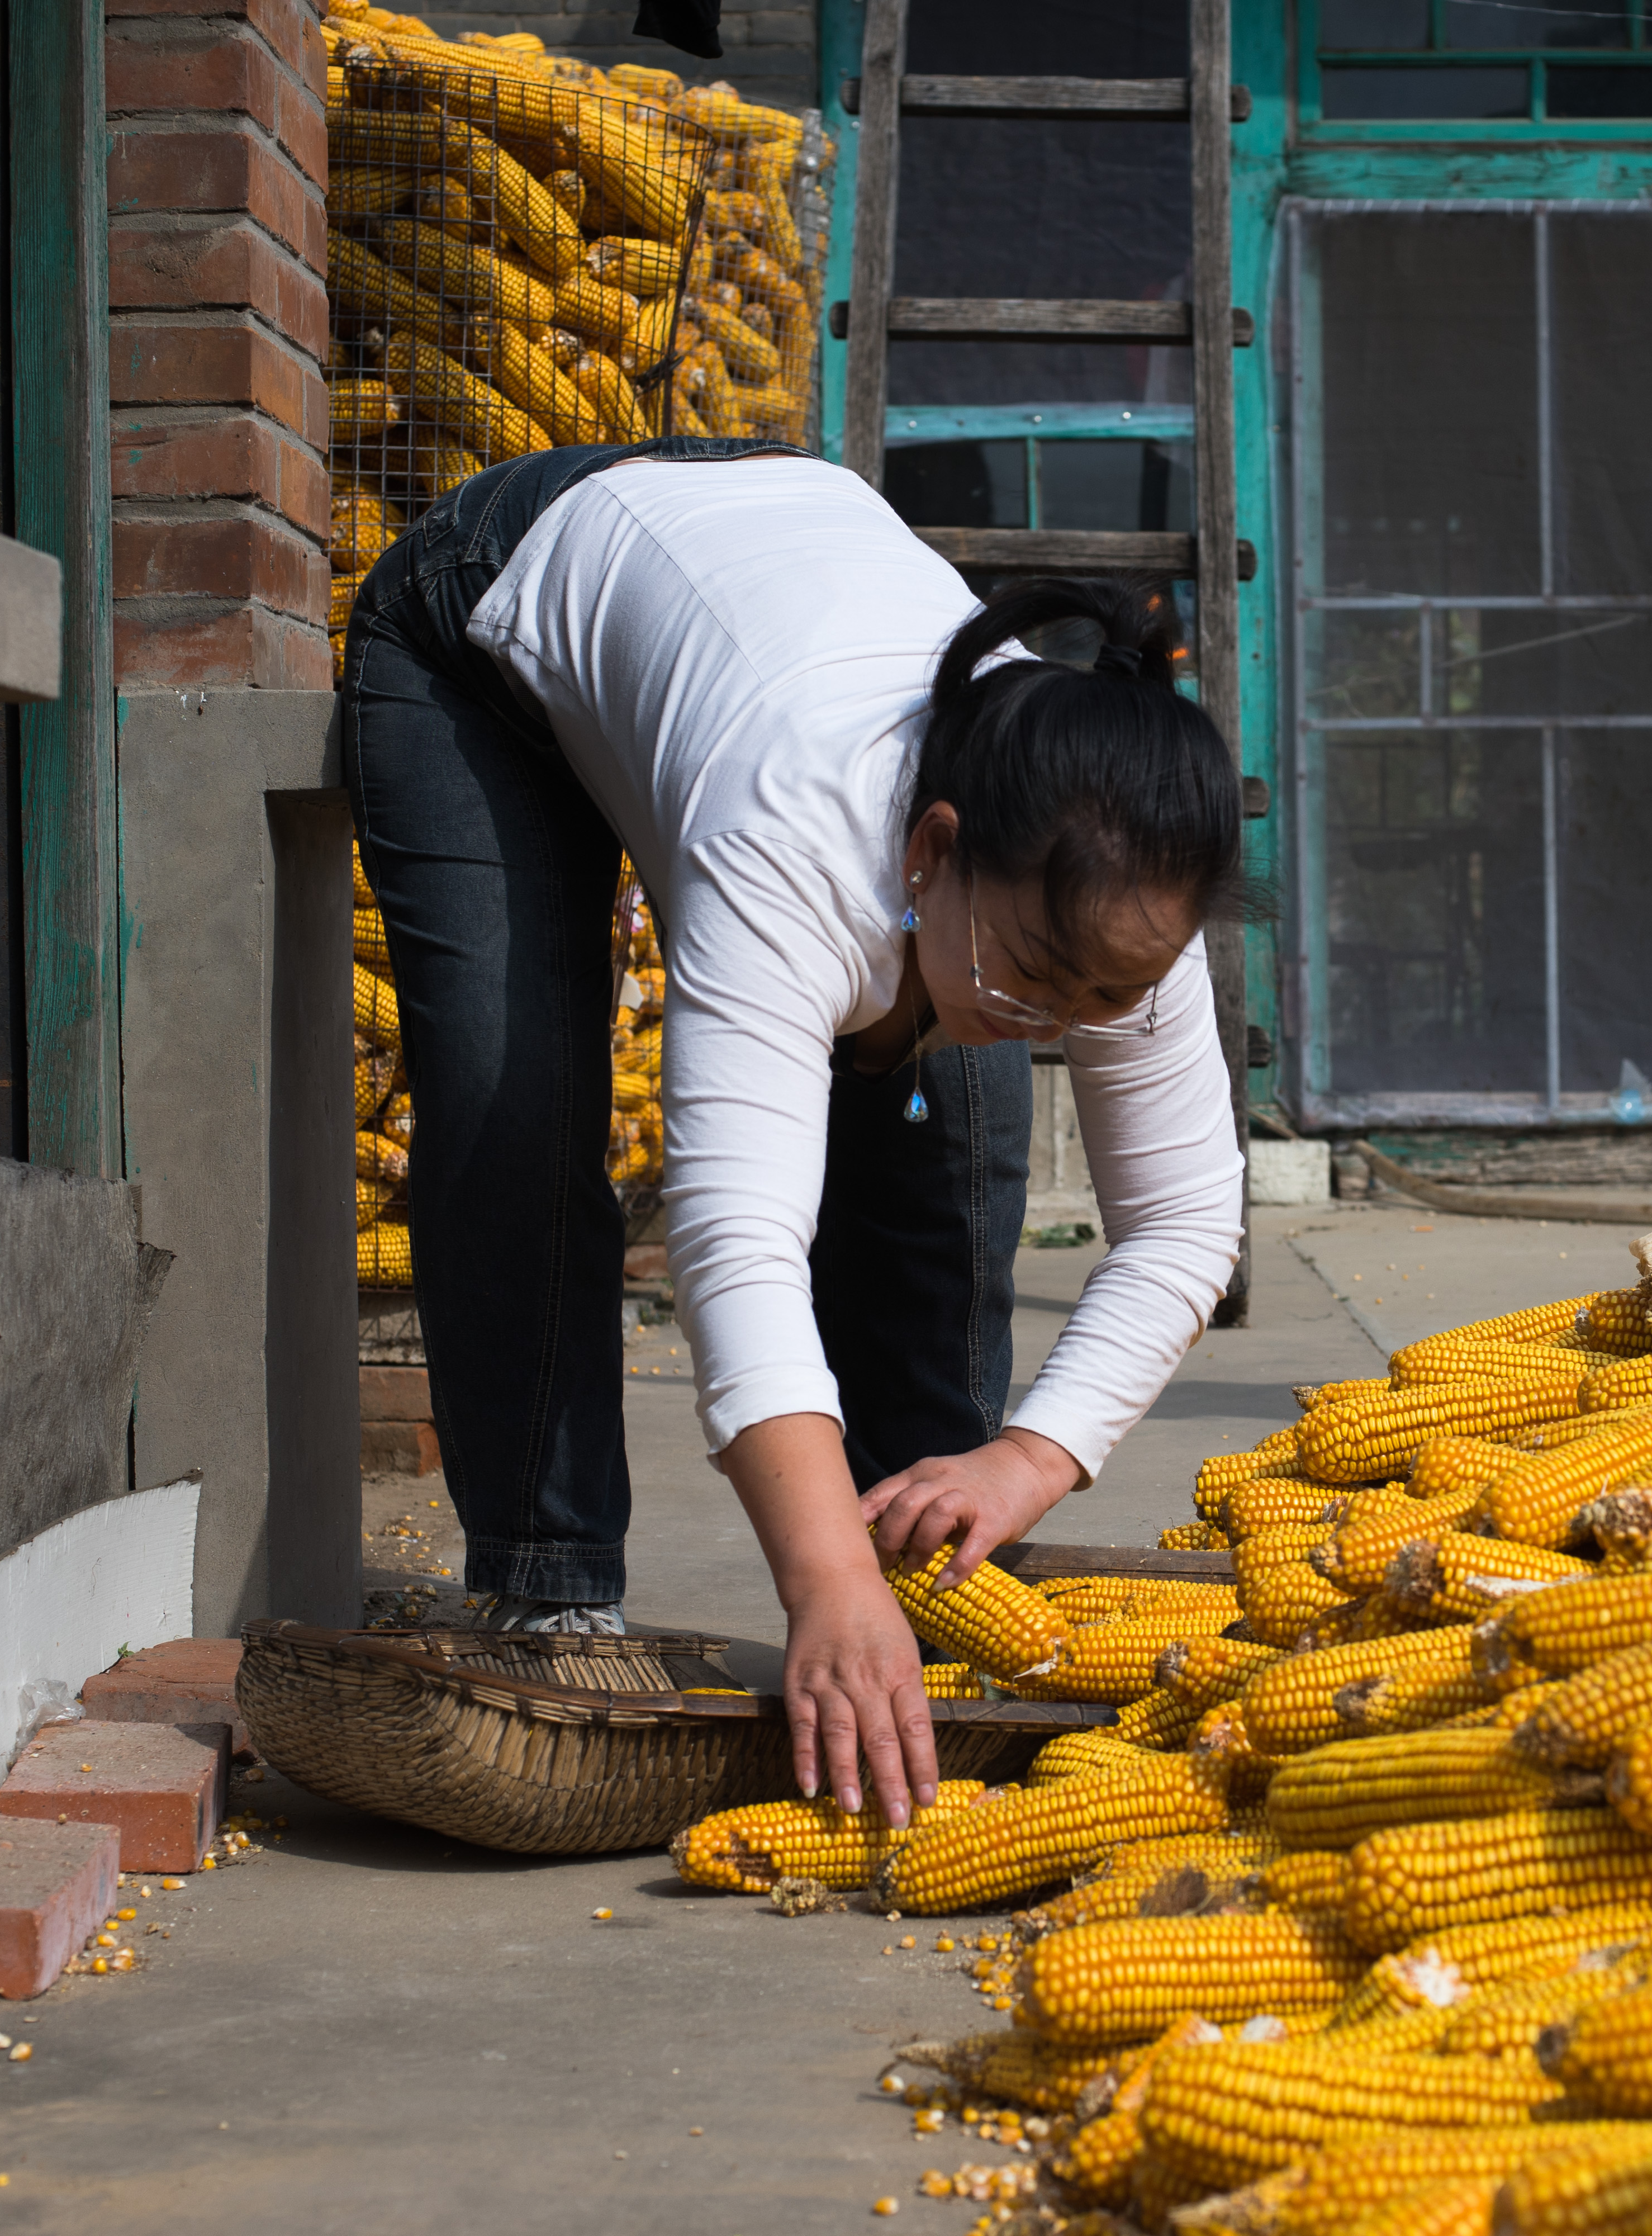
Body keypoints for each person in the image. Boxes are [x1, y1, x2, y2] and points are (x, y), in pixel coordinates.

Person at [342, 434, 1247, 1825]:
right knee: (517, 1103)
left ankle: (911, 1593)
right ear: (934, 851)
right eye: (1034, 975)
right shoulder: (796, 832)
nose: (1063, 1021)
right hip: (499, 623)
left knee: (955, 1143)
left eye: (1105, 997)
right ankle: (547, 1584)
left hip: (774, 597)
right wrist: (816, 1582)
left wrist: (1026, 1457)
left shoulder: (1122, 875)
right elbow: (739, 1233)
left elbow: (1186, 1219)